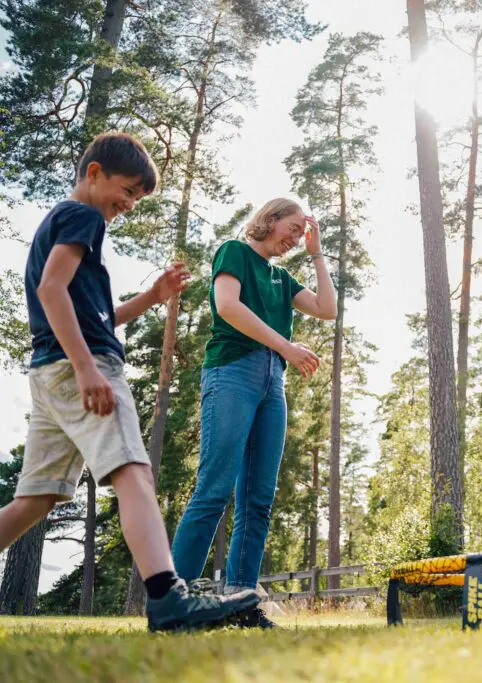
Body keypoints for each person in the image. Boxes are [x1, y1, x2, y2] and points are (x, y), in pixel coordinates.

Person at [0, 132, 259, 631]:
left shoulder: (63, 221)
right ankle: (168, 599)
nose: (130, 203)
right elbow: (51, 290)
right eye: (128, 189)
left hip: (49, 372)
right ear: (94, 172)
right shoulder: (83, 216)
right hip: (80, 367)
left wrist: (152, 297)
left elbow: (90, 315)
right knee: (134, 472)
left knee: (36, 498)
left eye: (139, 197)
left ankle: (168, 598)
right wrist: (86, 368)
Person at [171, 198, 336, 628]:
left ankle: (242, 604)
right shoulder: (235, 252)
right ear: (271, 217)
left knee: (257, 500)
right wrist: (285, 346)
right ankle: (172, 604)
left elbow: (327, 308)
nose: (296, 237)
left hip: (271, 384)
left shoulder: (282, 279)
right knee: (214, 489)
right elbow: (227, 306)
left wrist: (317, 254)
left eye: (302, 233)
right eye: (293, 227)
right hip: (232, 372)